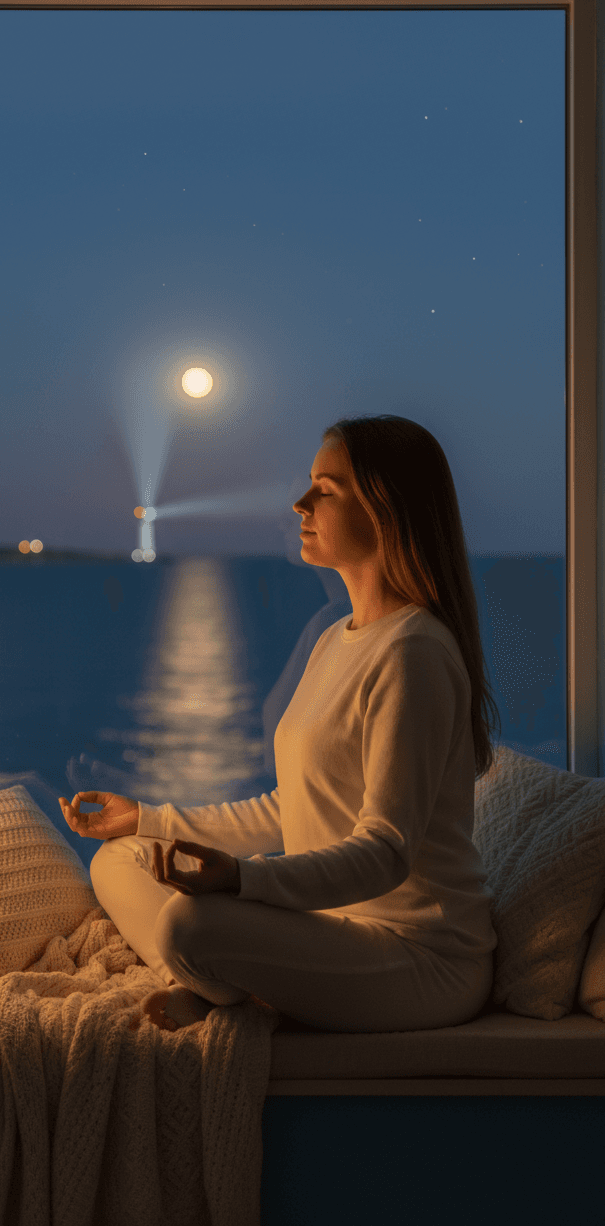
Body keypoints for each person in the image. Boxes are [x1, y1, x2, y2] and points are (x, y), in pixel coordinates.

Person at [59, 414, 502, 1034]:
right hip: (330, 930)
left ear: (386, 509)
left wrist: (244, 881)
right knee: (120, 860)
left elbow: (386, 854)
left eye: (327, 488)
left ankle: (214, 983)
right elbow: (289, 808)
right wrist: (147, 819)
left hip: (418, 956)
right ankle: (207, 983)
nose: (301, 503)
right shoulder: (335, 640)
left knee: (192, 924)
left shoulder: (414, 653)